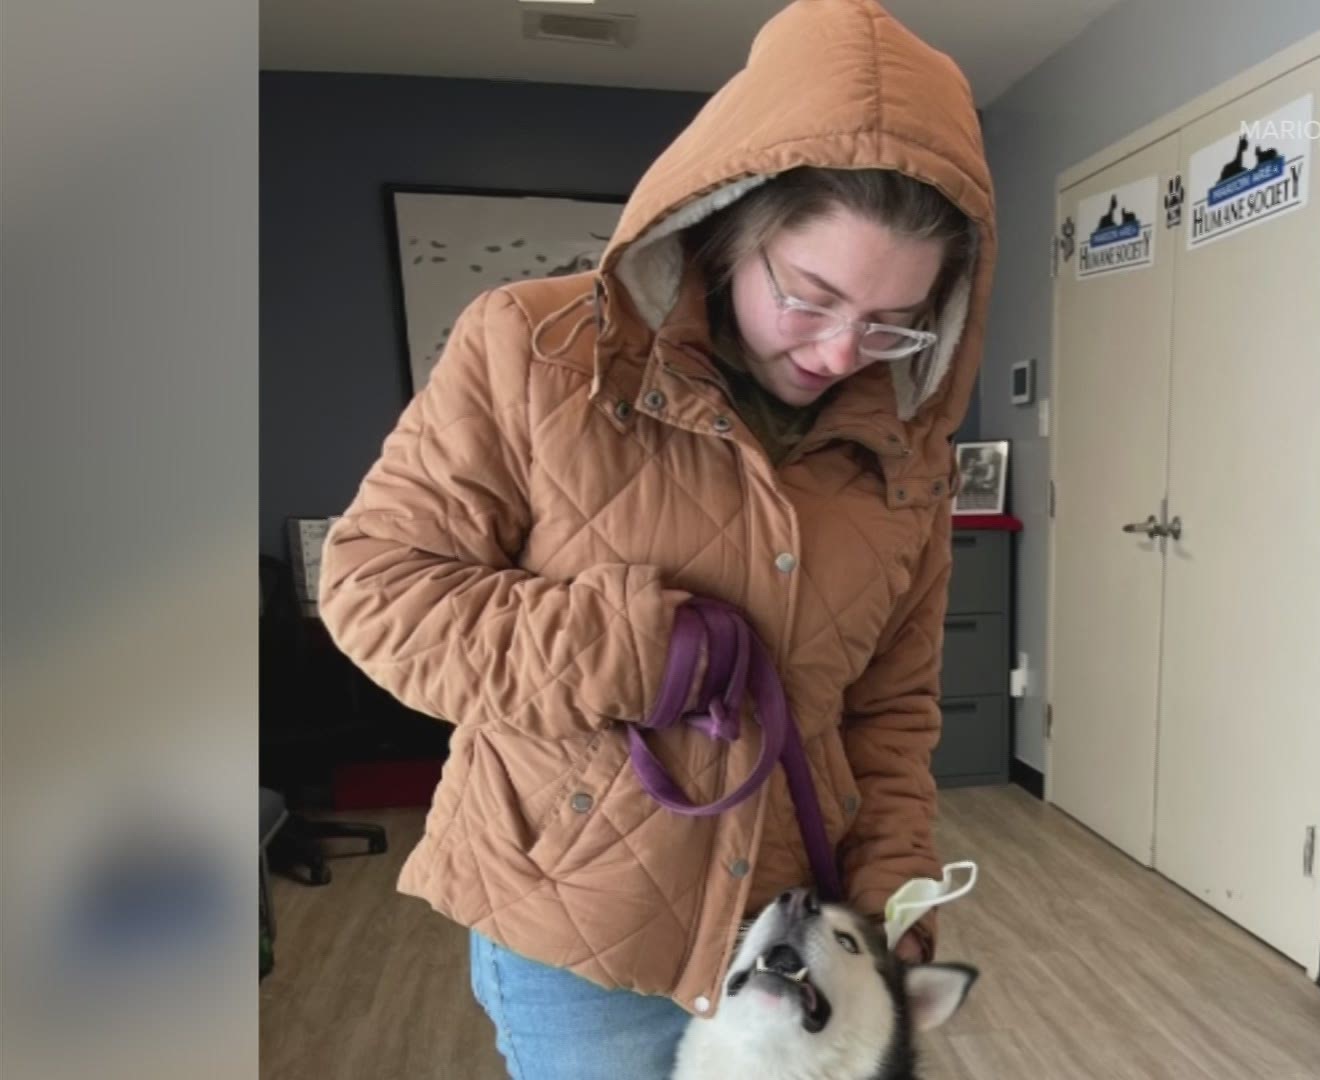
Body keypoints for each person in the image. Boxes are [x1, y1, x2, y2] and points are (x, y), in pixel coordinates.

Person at [314, 1, 995, 1076]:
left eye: (893, 322)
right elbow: (373, 590)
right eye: (809, 296)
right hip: (578, 933)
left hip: (789, 925)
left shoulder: (908, 451)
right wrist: (638, 651)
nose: (839, 352)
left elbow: (892, 708)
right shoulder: (531, 348)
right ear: (733, 226)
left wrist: (893, 886)